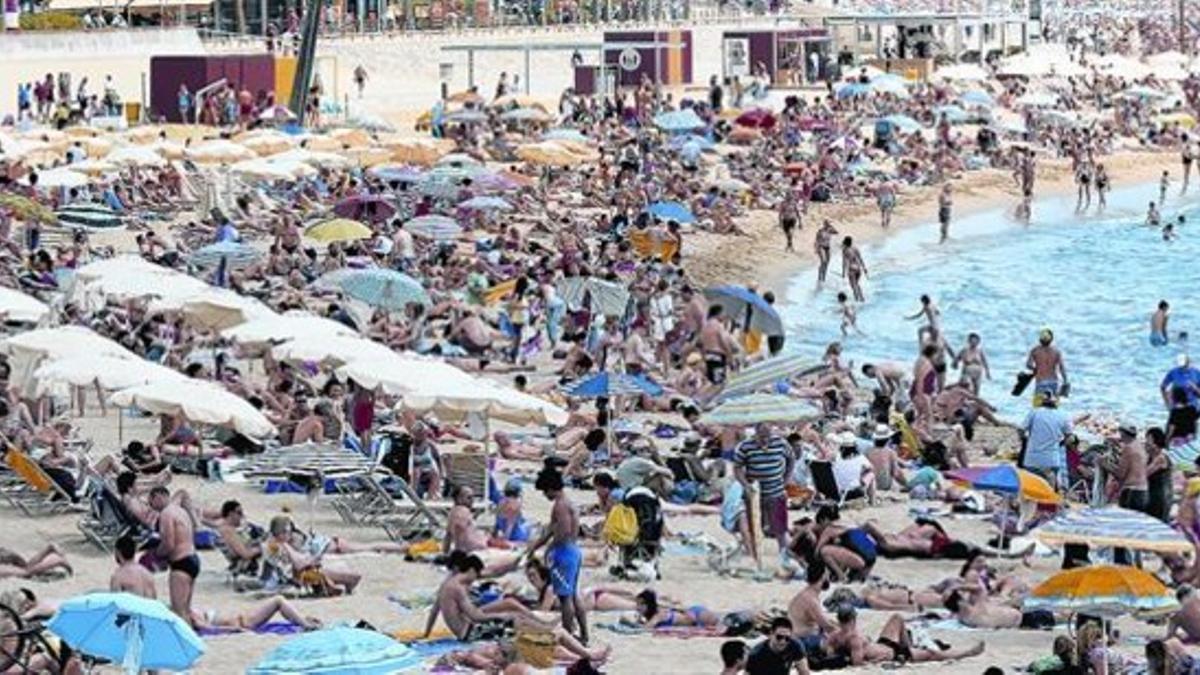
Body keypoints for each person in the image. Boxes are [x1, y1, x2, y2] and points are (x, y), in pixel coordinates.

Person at [524, 467, 587, 643]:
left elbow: (563, 532)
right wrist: (535, 546)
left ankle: (567, 637)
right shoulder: (569, 502)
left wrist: (550, 548)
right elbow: (551, 530)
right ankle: (583, 635)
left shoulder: (560, 506)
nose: (545, 495)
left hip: (563, 553)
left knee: (565, 598)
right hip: (572, 551)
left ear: (551, 488)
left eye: (545, 491)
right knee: (573, 595)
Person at [827, 605, 984, 665]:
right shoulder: (854, 638)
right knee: (933, 654)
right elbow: (858, 663)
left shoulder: (835, 635)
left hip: (884, 644)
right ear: (853, 618)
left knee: (897, 618)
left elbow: (829, 653)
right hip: (894, 654)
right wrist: (877, 660)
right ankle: (967, 653)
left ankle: (911, 646)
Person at [732, 424, 793, 563]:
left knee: (780, 528)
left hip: (776, 491)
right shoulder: (745, 446)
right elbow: (737, 468)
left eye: (768, 436)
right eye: (762, 437)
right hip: (754, 493)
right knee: (755, 526)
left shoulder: (780, 443)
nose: (766, 440)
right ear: (756, 434)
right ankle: (755, 557)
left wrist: (787, 478)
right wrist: (746, 485)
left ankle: (784, 557)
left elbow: (791, 459)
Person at [150, 486, 197, 621]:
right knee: (186, 609)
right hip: (192, 558)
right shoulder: (181, 511)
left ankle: (184, 641)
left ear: (158, 496)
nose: (152, 507)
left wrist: (155, 555)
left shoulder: (166, 514)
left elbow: (169, 544)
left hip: (181, 563)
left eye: (151, 502)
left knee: (179, 612)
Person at [1020, 390, 1072, 488]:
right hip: (1052, 460)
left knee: (1031, 489)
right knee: (1049, 491)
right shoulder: (1063, 416)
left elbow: (1021, 429)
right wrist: (1061, 444)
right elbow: (1070, 437)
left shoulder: (1034, 413)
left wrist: (1025, 439)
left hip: (1032, 459)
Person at [787, 561, 836, 655]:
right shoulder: (811, 600)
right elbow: (827, 626)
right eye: (827, 575)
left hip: (797, 637)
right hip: (803, 640)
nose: (829, 578)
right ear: (822, 577)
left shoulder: (806, 594)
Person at [745, 617, 810, 675]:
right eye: (779, 637)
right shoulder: (756, 654)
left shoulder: (794, 645)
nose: (783, 641)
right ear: (771, 634)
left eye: (787, 638)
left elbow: (804, 671)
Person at [1027, 329, 1068, 402]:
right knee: (1053, 405)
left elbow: (1028, 365)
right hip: (1053, 381)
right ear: (1051, 339)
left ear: (1040, 339)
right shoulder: (1056, 351)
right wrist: (1065, 381)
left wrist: (1035, 369)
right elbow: (1062, 368)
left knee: (1038, 405)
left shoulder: (1035, 350)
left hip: (1041, 381)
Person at [841, 237, 867, 302]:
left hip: (851, 269)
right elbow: (860, 259)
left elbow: (844, 262)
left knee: (853, 286)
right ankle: (862, 298)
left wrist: (843, 273)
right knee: (857, 284)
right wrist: (864, 268)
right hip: (858, 268)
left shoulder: (845, 250)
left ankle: (857, 300)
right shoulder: (855, 248)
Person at [814, 221, 837, 286]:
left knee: (827, 263)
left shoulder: (830, 230)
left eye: (829, 224)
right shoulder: (820, 231)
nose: (828, 225)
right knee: (823, 261)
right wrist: (816, 248)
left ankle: (824, 277)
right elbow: (816, 240)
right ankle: (819, 276)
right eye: (827, 224)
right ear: (824, 224)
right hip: (821, 247)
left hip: (828, 247)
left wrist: (832, 227)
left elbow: (836, 232)